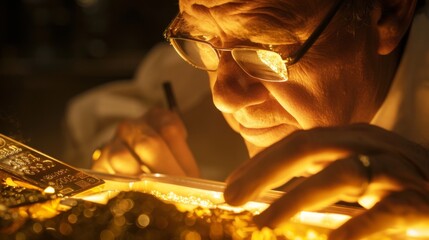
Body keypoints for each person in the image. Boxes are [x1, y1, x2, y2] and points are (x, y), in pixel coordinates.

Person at [66, 0, 429, 239]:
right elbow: (90, 117)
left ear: (388, 13)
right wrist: (115, 162)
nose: (223, 96)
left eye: (266, 47)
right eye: (200, 36)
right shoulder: (206, 58)